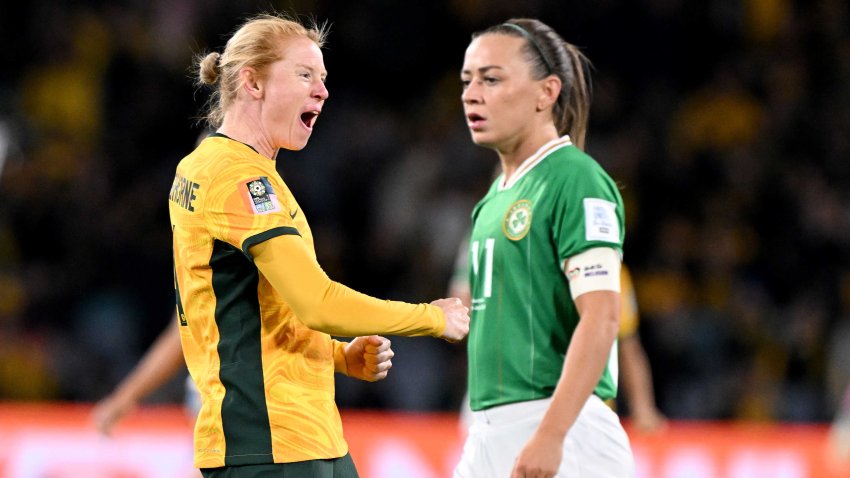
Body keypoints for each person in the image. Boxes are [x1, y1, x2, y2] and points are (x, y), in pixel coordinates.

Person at [169, 13, 469, 478]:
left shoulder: (221, 167)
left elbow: (253, 315)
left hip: (305, 437)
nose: (323, 91)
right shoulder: (237, 178)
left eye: (323, 79)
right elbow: (317, 302)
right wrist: (432, 318)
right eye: (305, 75)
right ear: (252, 82)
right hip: (269, 446)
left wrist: (339, 358)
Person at [454, 18, 635, 478]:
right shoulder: (493, 200)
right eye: (467, 80)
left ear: (546, 92)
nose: (471, 93)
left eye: (491, 79)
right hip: (488, 427)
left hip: (562, 428)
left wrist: (552, 434)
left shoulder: (575, 178)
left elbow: (603, 315)